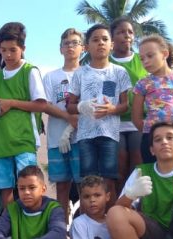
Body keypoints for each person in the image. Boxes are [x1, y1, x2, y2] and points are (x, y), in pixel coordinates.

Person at [67, 23, 131, 206]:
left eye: (105, 39)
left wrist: (113, 109)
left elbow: (125, 105)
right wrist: (81, 106)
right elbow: (69, 106)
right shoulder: (80, 73)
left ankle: (110, 220)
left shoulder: (119, 72)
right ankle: (87, 223)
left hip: (110, 134)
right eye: (95, 40)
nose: (100, 43)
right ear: (87, 47)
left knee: (109, 180)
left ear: (111, 44)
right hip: (85, 135)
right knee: (88, 182)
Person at [0, 22, 48, 207]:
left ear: (23, 48)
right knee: (4, 189)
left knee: (29, 186)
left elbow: (41, 105)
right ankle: (9, 227)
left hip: (23, 140)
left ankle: (31, 225)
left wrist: (11, 103)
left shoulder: (30, 71)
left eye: (13, 50)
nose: (7, 55)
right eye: (3, 50)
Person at [133, 35, 173, 163]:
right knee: (153, 178)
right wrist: (150, 135)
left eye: (150, 56)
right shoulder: (143, 83)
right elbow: (136, 118)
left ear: (164, 54)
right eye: (142, 58)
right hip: (152, 139)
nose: (145, 61)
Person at [42, 28, 83, 223]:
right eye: (66, 43)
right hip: (57, 139)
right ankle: (62, 231)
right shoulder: (51, 76)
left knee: (85, 186)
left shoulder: (88, 74)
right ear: (60, 49)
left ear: (82, 48)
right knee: (62, 188)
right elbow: (46, 105)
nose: (70, 47)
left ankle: (84, 231)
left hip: (83, 139)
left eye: (75, 43)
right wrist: (69, 117)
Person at [110, 17, 147, 192]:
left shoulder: (143, 60)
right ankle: (118, 206)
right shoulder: (106, 63)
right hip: (114, 122)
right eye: (121, 32)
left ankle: (137, 208)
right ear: (112, 37)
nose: (127, 36)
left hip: (139, 121)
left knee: (138, 166)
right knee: (120, 166)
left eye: (130, 32)